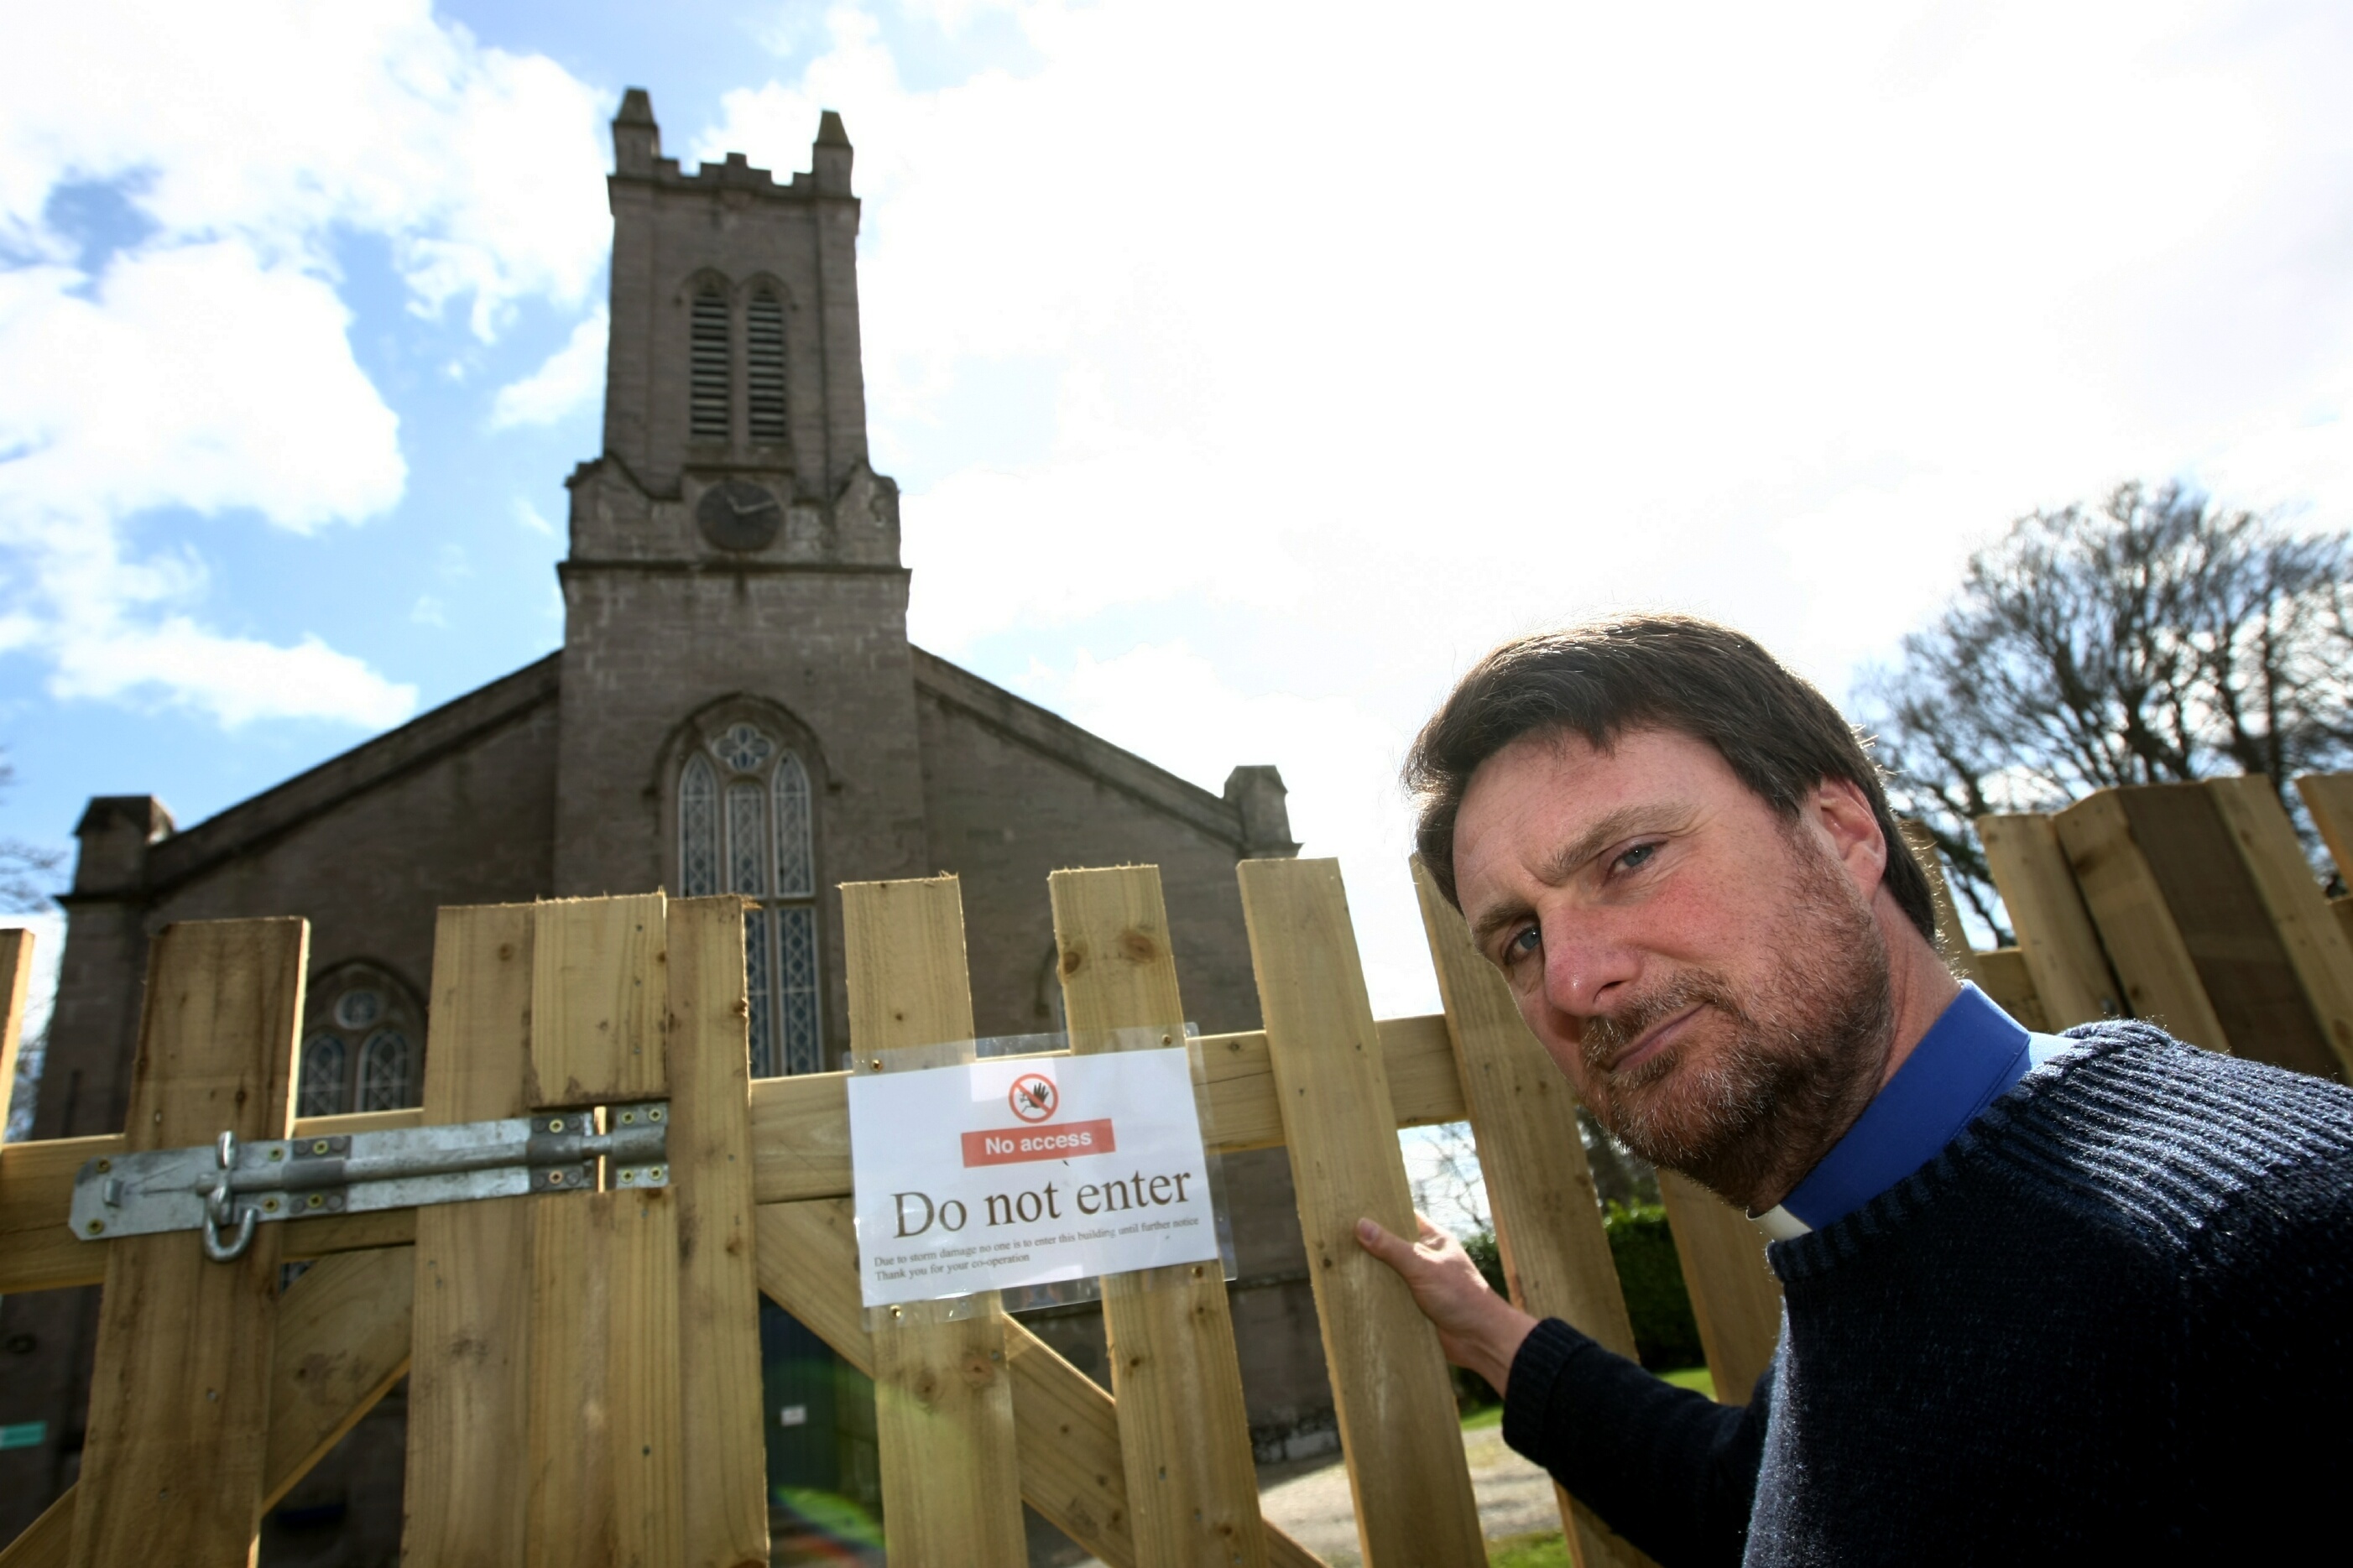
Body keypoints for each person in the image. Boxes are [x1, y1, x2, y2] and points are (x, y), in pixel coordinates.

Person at [1356, 615, 2353, 1565]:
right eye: (1522, 939)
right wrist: (1485, 1329)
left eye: (1630, 859)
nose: (1573, 980)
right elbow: (1759, 1506)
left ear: (1840, 832)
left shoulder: (2269, 1253)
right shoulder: (1879, 1237)